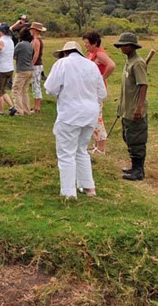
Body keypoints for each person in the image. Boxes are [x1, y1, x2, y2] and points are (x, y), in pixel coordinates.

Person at [44, 41, 106, 198]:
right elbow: (102, 93)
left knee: (66, 153)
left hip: (70, 114)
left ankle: (68, 193)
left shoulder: (62, 64)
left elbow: (50, 88)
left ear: (65, 53)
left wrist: (64, 94)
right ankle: (88, 187)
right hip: (90, 113)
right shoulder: (91, 65)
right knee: (81, 150)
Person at [113, 32, 149, 181]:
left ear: (131, 46)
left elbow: (143, 85)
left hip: (135, 109)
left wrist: (139, 107)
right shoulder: (129, 62)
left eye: (124, 45)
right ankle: (134, 167)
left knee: (137, 140)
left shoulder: (138, 63)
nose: (121, 48)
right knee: (129, 138)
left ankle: (138, 171)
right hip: (126, 109)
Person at [83, 31, 116, 155]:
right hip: (90, 89)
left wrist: (102, 77)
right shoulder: (92, 53)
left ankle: (101, 147)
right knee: (93, 116)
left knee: (97, 117)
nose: (85, 45)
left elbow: (111, 65)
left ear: (94, 43)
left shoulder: (100, 53)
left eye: (87, 43)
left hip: (96, 90)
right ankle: (96, 144)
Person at [0, 23, 17, 116]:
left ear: (0, 32)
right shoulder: (10, 41)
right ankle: (12, 107)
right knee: (3, 90)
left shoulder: (1, 41)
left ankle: (1, 111)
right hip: (10, 68)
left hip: (1, 69)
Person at [12, 29, 34, 115]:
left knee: (16, 90)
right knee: (24, 91)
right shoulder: (30, 45)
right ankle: (26, 110)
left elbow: (13, 53)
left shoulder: (20, 45)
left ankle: (19, 110)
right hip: (29, 70)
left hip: (22, 70)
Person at [29, 22, 47, 113]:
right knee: (35, 84)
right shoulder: (37, 39)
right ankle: (36, 105)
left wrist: (32, 64)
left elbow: (36, 54)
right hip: (38, 65)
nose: (30, 31)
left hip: (36, 65)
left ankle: (37, 106)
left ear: (35, 30)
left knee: (36, 85)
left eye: (32, 29)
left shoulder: (36, 40)